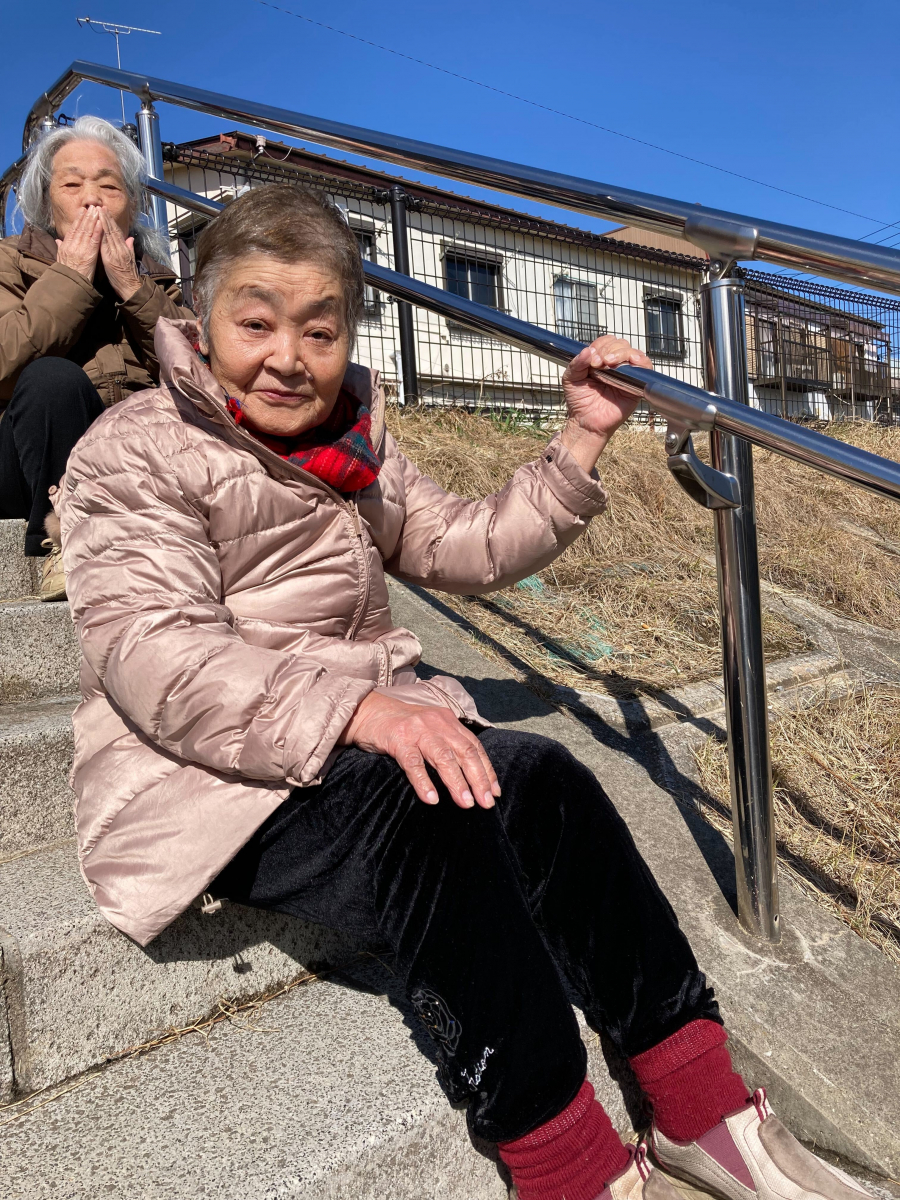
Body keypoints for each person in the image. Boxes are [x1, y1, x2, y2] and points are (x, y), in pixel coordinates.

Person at [56, 185, 869, 1200]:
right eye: (256, 324)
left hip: (356, 733)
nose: (288, 358)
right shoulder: (134, 447)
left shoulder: (355, 438)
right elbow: (154, 653)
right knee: (434, 808)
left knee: (546, 778)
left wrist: (579, 440)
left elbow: (460, 545)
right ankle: (568, 1166)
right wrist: (360, 710)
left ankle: (703, 1107)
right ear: (203, 320)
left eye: (320, 330)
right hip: (208, 776)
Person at [0, 115, 193, 600]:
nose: (92, 199)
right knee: (52, 380)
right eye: (72, 185)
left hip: (129, 468)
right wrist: (70, 277)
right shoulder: (8, 260)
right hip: (27, 464)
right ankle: (63, 546)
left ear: (133, 206)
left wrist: (131, 287)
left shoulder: (157, 279)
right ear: (45, 202)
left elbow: (200, 376)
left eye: (109, 186)